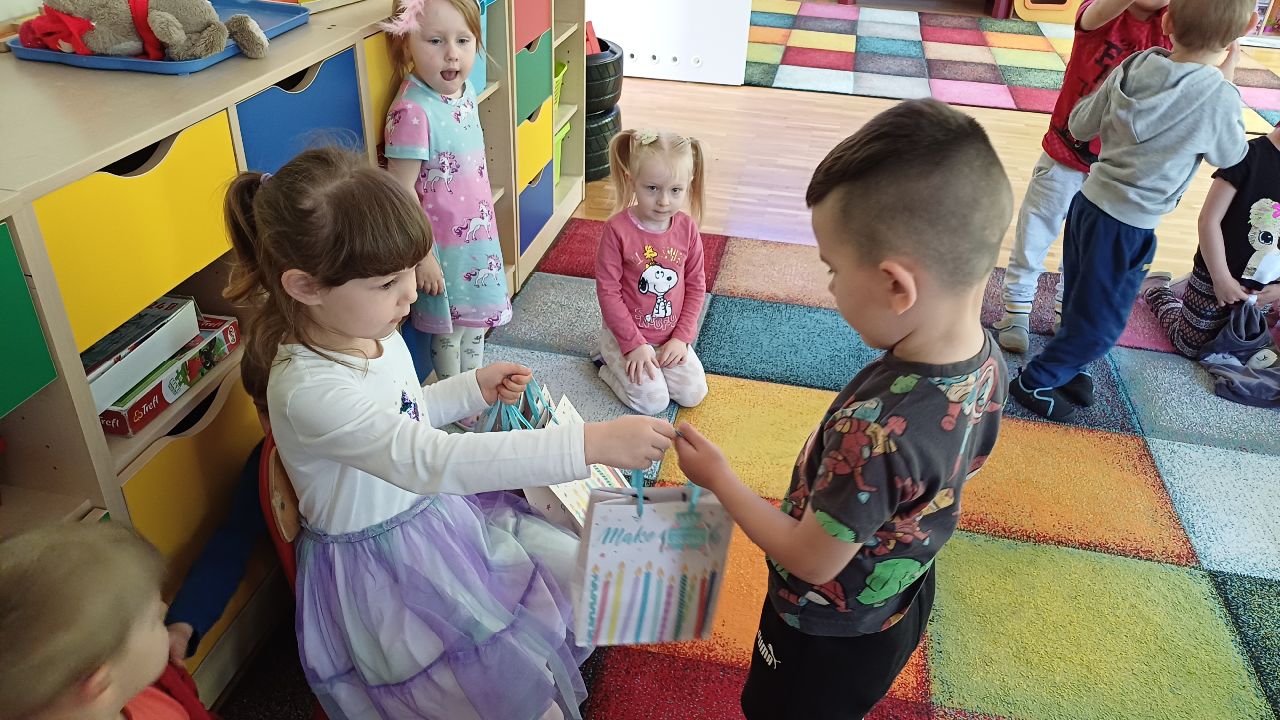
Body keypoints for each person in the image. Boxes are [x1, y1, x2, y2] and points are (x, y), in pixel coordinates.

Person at [222, 145, 674, 720]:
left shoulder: (370, 333)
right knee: (472, 680)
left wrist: (470, 389)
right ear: (306, 287)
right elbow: (430, 460)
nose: (412, 293)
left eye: (410, 270)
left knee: (561, 577)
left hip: (429, 521)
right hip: (382, 574)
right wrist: (591, 444)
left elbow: (404, 413)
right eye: (387, 282)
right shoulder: (307, 389)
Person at [674, 99, 1011, 720]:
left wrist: (719, 478)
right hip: (900, 596)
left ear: (896, 286)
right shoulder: (985, 358)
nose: (828, 286)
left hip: (821, 632)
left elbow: (810, 559)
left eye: (832, 269)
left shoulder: (874, 434)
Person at [1010, 0, 1257, 421]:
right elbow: (1231, 155)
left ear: (1168, 20)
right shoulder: (1219, 96)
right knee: (1104, 325)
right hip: (1128, 226)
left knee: (1081, 301)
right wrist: (1227, 81)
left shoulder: (1134, 64)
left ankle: (1068, 366)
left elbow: (1080, 125)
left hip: (1088, 204)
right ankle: (1035, 379)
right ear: (1248, 27)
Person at [993, 0, 1171, 353]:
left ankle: (1066, 313)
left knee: (1084, 247)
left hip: (1114, 169)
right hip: (1065, 153)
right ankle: (1016, 310)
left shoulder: (1171, 27)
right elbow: (1097, 14)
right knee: (1036, 232)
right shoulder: (1101, 13)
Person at [383, 0, 509, 429]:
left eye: (463, 41)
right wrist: (422, 257)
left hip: (475, 236)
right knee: (449, 330)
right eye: (435, 41)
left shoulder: (465, 91)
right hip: (440, 248)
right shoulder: (412, 111)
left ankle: (476, 392)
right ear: (407, 45)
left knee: (474, 324)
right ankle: (456, 403)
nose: (452, 54)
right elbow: (401, 190)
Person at [0, 522, 215, 720]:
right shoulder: (150, 699)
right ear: (100, 684)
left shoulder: (131, 684)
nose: (165, 609)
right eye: (153, 621)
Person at [595, 129, 709, 415]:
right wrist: (633, 344)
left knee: (694, 394)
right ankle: (605, 366)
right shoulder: (617, 230)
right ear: (631, 181)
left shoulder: (687, 229)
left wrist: (682, 338)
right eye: (652, 188)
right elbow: (608, 292)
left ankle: (656, 364)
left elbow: (696, 287)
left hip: (670, 338)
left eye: (675, 190)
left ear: (688, 185)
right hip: (626, 336)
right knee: (653, 402)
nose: (664, 201)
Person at [1143, 125, 1280, 357]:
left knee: (1245, 343)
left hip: (1266, 285)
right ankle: (1157, 290)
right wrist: (1221, 279)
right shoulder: (1247, 155)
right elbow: (1209, 220)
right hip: (1217, 273)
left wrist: (1278, 290)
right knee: (1191, 346)